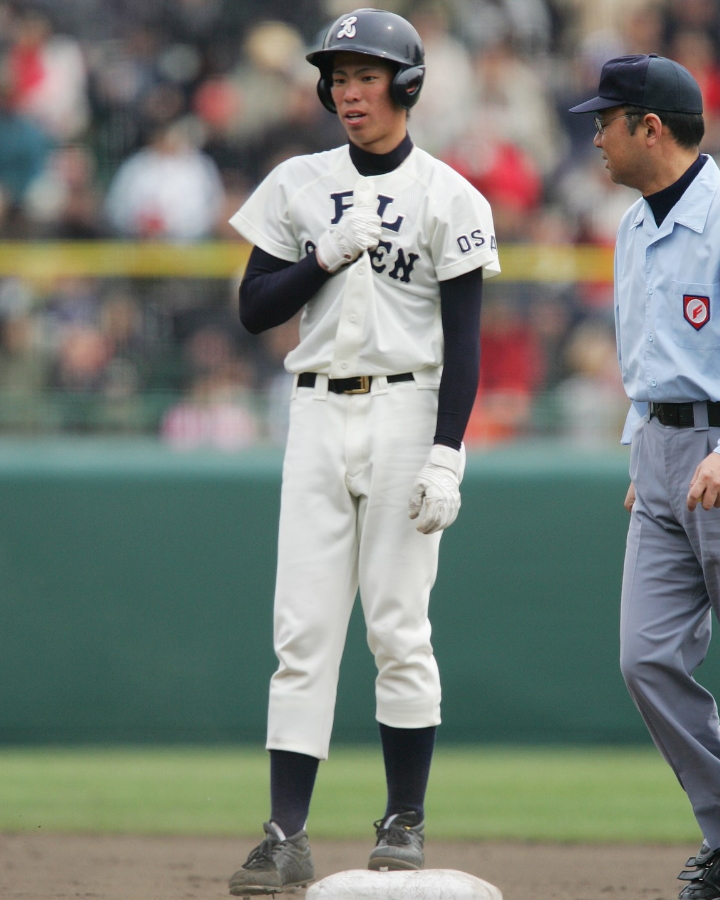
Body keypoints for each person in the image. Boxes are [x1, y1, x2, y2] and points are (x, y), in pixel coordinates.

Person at [226, 8, 500, 896]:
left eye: (366, 75)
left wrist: (447, 453)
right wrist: (318, 261)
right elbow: (256, 309)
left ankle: (404, 819)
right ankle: (283, 833)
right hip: (314, 410)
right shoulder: (299, 181)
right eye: (338, 76)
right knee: (301, 632)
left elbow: (465, 342)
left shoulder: (449, 194)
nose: (348, 90)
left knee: (397, 625)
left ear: (407, 86)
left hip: (406, 408)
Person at [570, 54, 720, 898]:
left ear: (649, 127)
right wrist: (645, 446)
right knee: (645, 657)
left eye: (606, 119)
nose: (595, 135)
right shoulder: (630, 224)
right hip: (661, 456)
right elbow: (653, 357)